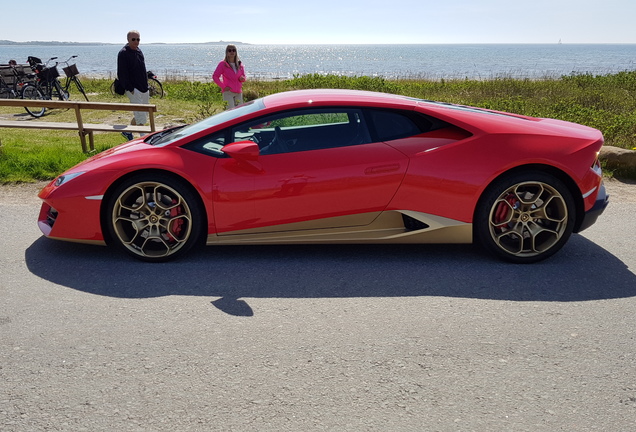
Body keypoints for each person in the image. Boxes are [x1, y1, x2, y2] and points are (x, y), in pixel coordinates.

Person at [117, 30, 149, 140]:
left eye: (138, 39)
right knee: (140, 114)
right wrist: (130, 88)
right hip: (133, 89)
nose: (136, 42)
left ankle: (128, 131)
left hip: (144, 87)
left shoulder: (139, 51)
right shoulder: (123, 53)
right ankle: (143, 139)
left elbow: (142, 69)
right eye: (133, 39)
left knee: (144, 113)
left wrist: (147, 84)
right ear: (128, 40)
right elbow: (122, 73)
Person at [212, 44, 246, 109]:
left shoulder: (240, 65)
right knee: (230, 112)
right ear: (227, 53)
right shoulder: (223, 64)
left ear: (236, 52)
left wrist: (242, 78)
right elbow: (215, 76)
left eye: (234, 50)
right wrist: (223, 87)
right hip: (228, 92)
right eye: (229, 50)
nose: (232, 52)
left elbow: (244, 77)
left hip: (238, 92)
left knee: (240, 112)